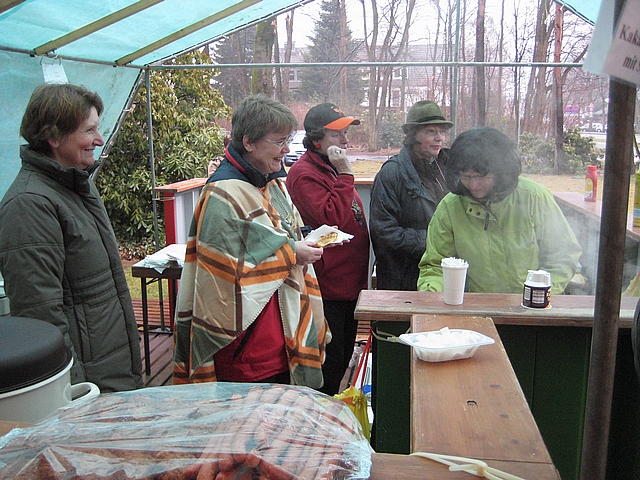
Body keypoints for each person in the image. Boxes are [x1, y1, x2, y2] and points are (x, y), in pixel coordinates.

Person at [173, 94, 330, 388]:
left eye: (288, 140)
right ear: (249, 142)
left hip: (282, 336)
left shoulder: (271, 181)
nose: (287, 149)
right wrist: (292, 252)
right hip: (246, 348)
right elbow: (226, 269)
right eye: (279, 141)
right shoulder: (222, 193)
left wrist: (304, 239)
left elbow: (284, 231)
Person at [0, 83, 143, 392]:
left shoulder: (78, 186)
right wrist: (75, 393)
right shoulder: (29, 205)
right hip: (87, 389)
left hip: (112, 373)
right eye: (89, 130)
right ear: (53, 137)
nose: (99, 139)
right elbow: (41, 318)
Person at [417, 126, 582, 294]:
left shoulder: (534, 197)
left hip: (534, 303)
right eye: (466, 176)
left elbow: (563, 255)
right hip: (479, 304)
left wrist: (540, 294)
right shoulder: (450, 207)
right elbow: (436, 266)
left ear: (501, 172)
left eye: (481, 176)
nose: (473, 185)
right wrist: (432, 295)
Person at [286, 103, 369, 395]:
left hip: (349, 284)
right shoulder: (304, 173)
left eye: (346, 133)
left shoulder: (329, 167)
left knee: (343, 356)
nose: (345, 140)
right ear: (317, 140)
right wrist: (346, 174)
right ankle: (319, 414)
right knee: (330, 364)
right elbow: (332, 217)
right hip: (328, 288)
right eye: (337, 135)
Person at [369, 100, 453, 290]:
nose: (439, 138)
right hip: (403, 279)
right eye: (430, 132)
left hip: (444, 273)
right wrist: (436, 240)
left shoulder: (448, 167)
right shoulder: (392, 173)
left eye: (442, 132)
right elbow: (384, 233)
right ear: (413, 135)